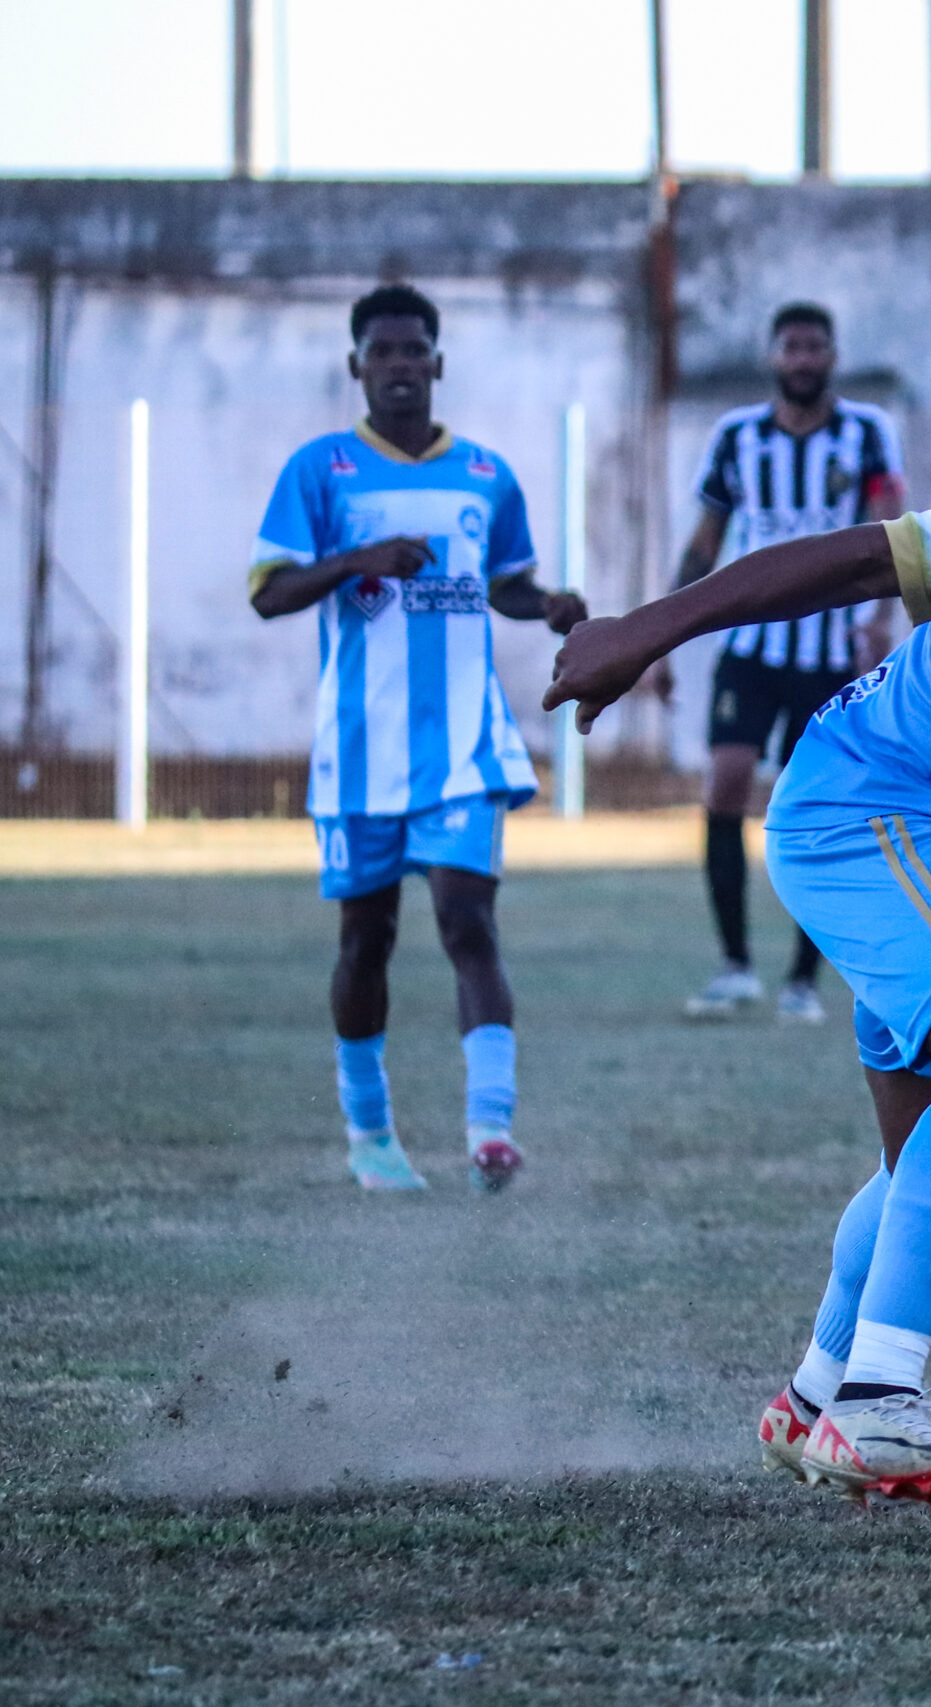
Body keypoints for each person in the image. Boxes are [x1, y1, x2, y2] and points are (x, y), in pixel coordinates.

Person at [548, 453, 931, 1504]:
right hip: (878, 809)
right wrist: (646, 629)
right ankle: (876, 1404)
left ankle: (815, 1396)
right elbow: (858, 562)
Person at [249, 284, 586, 1194]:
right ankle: (370, 1135)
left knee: (468, 922)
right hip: (360, 750)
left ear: (438, 364)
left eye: (414, 351)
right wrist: (356, 560)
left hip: (464, 749)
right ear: (356, 366)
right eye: (382, 352)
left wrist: (547, 604)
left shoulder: (484, 474)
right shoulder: (321, 471)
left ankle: (490, 1128)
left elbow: (506, 583)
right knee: (366, 940)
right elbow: (269, 591)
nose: (400, 366)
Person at [674, 303, 907, 1023]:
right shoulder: (737, 436)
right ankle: (735, 965)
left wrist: (879, 615)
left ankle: (804, 980)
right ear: (772, 356)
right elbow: (706, 541)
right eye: (792, 347)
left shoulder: (866, 432)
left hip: (831, 649)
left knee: (818, 802)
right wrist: (659, 631)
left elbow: (894, 527)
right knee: (726, 782)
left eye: (815, 346)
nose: (803, 359)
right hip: (751, 648)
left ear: (832, 354)